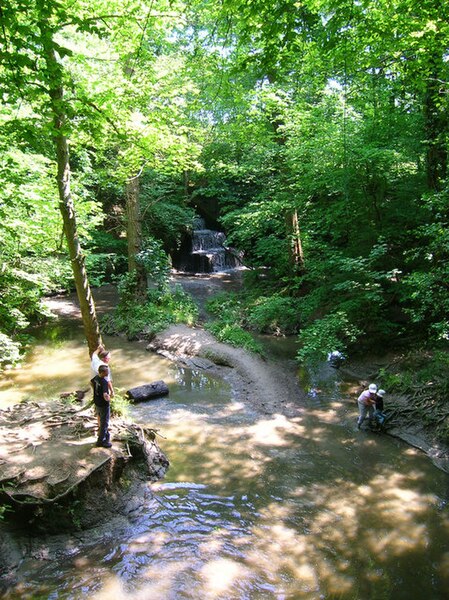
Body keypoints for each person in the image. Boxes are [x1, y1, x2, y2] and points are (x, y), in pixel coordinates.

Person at [91, 364, 112, 448]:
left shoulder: (96, 378)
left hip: (97, 403)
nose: (108, 372)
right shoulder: (104, 382)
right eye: (107, 371)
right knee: (104, 423)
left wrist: (96, 393)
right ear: (103, 372)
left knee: (101, 419)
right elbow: (105, 395)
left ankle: (106, 436)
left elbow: (90, 382)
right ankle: (101, 441)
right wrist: (109, 399)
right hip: (103, 405)